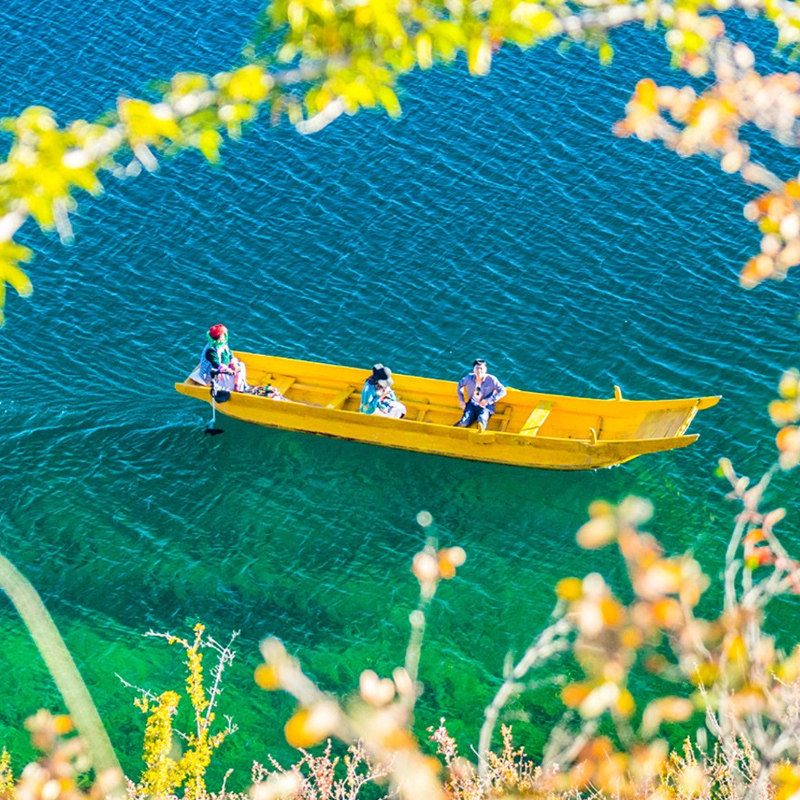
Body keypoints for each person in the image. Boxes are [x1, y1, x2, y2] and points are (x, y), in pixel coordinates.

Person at [454, 358, 506, 431]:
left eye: (481, 368)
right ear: (473, 369)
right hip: (471, 405)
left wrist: (488, 400)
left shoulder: (491, 379)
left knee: (482, 419)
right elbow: (459, 385)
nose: (479, 371)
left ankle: (480, 436)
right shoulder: (468, 378)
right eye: (477, 368)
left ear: (485, 370)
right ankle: (454, 429)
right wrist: (461, 400)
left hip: (486, 407)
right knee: (463, 423)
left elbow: (503, 391)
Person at [197, 323, 248, 393]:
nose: (225, 335)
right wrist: (229, 370)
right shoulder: (211, 350)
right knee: (234, 375)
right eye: (223, 334)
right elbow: (217, 365)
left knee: (240, 365)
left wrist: (233, 363)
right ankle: (236, 388)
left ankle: (237, 386)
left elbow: (229, 353)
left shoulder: (222, 343)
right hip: (212, 375)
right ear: (218, 337)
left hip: (224, 367)